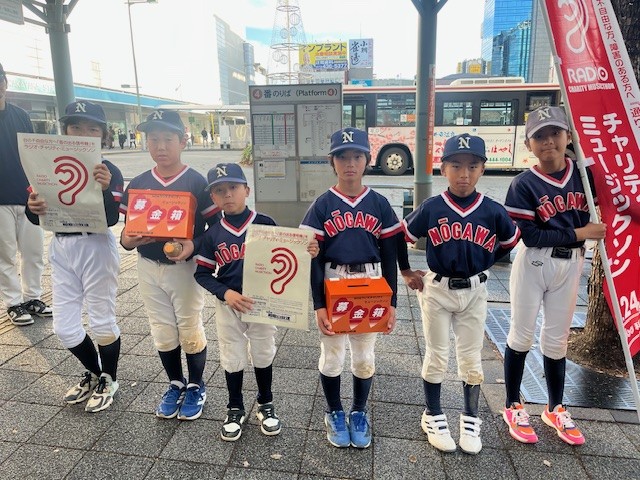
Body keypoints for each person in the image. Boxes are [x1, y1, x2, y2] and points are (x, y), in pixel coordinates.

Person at [402, 133, 520, 455]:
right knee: (437, 354)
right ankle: (433, 413)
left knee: (470, 357)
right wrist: (406, 271)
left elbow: (510, 240)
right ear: (443, 169)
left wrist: (484, 262)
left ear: (482, 169)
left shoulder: (492, 210)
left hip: (474, 290)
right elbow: (402, 235)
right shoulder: (432, 207)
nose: (464, 173)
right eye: (456, 165)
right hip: (437, 290)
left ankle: (470, 417)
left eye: (472, 166)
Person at [191, 162, 319, 441]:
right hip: (229, 304)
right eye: (220, 190)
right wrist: (225, 293)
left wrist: (308, 248)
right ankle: (235, 406)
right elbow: (202, 273)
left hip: (263, 303)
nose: (228, 194)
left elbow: (288, 256)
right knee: (232, 355)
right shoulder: (213, 234)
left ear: (247, 190)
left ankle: (265, 402)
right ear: (212, 197)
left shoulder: (265, 223)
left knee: (263, 352)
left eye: (233, 187)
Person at [502, 106, 606, 446]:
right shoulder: (523, 183)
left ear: (568, 136)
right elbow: (531, 236)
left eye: (555, 133)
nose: (548, 141)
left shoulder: (585, 174)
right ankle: (512, 404)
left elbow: (613, 202)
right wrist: (582, 232)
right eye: (540, 136)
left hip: (571, 263)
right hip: (535, 262)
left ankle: (555, 407)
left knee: (557, 338)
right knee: (521, 335)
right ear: (529, 144)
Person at [299, 127, 404, 449]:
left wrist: (392, 303)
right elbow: (313, 258)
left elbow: (390, 256)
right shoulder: (322, 204)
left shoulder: (379, 203)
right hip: (334, 280)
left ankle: (358, 411)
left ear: (367, 160)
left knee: (364, 356)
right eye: (342, 157)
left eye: (357, 156)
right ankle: (334, 411)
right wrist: (318, 304)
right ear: (332, 161)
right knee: (332, 356)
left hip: (371, 282)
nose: (350, 163)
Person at [119, 110, 220, 421]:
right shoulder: (138, 182)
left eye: (168, 139)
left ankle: (196, 384)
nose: (160, 146)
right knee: (162, 329)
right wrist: (127, 240)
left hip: (184, 268)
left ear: (182, 141)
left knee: (189, 327)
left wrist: (194, 245)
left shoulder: (197, 181)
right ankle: (175, 383)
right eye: (153, 139)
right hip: (148, 265)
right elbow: (126, 234)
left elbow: (215, 230)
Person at [26, 101, 124, 412]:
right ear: (65, 131)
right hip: (61, 245)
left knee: (102, 321)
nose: (83, 134)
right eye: (75, 127)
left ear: (103, 135)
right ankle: (95, 372)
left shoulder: (109, 169)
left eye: (92, 129)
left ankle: (109, 378)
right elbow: (35, 216)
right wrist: (33, 208)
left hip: (96, 245)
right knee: (64, 327)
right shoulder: (48, 163)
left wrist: (105, 189)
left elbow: (112, 218)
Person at [0, 61, 52, 326]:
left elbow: (35, 152)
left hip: (28, 197)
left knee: (33, 252)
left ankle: (33, 297)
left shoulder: (20, 115)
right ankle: (13, 302)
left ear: (5, 83)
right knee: (5, 255)